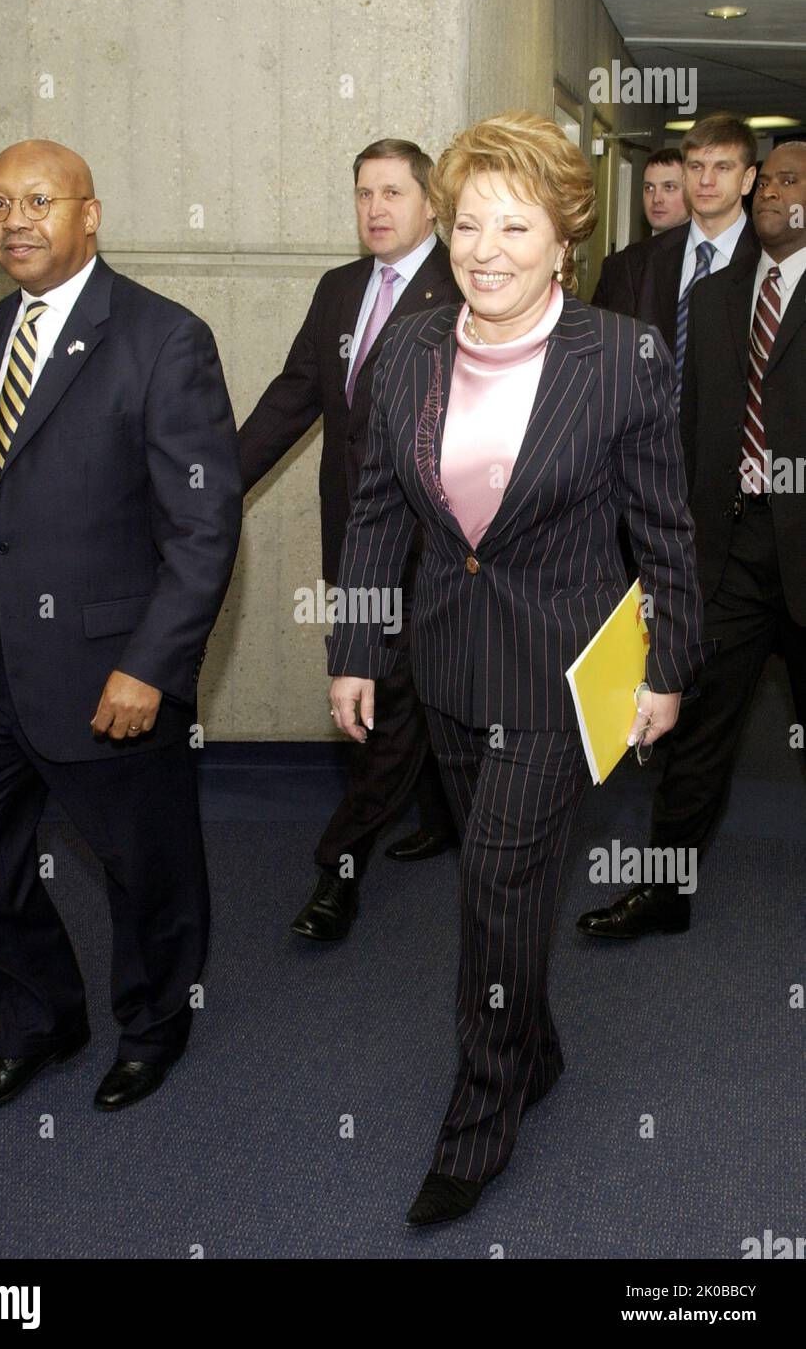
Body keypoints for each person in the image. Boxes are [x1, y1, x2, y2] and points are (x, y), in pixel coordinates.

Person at [326, 111, 711, 1226]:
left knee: (494, 885)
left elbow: (665, 531)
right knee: (502, 885)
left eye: (514, 225)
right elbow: (372, 512)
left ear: (563, 242)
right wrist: (356, 646)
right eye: (466, 225)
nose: (483, 249)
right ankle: (532, 1048)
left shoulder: (620, 356)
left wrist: (667, 667)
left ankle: (478, 1116)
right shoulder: (409, 344)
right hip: (445, 662)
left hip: (560, 673)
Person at [0, 140, 242, 1114]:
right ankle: (41, 1020)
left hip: (112, 669)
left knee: (145, 871)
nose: (15, 219)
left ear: (89, 215)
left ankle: (153, 1027)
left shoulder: (163, 338)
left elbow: (203, 525)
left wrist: (151, 664)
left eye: (39, 200)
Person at [578, 142, 806, 941]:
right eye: (770, 179)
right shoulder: (712, 302)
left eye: (791, 180)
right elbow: (689, 431)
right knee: (697, 732)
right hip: (732, 556)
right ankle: (662, 892)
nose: (777, 193)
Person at [238, 140, 459, 943]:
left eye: (393, 193)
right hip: (356, 540)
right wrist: (214, 487)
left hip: (434, 546)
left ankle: (338, 870)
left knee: (384, 703)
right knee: (392, 697)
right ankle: (440, 815)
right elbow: (294, 396)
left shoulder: (463, 288)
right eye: (363, 193)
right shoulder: (339, 289)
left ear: (431, 203)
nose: (375, 209)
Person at [633, 114, 759, 393]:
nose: (705, 180)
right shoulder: (643, 261)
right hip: (652, 430)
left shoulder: (768, 263)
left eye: (722, 168)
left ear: (747, 179)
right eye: (696, 166)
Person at [592, 149, 688, 314]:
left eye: (669, 187)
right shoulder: (617, 266)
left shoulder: (703, 262)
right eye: (649, 188)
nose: (657, 198)